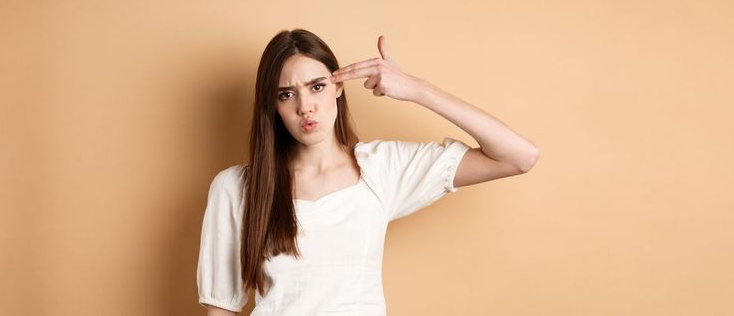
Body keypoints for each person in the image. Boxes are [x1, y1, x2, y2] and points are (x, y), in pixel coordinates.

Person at [197, 28, 539, 315]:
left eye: (317, 86)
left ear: (338, 87)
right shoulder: (237, 187)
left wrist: (416, 89)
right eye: (287, 94)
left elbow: (518, 156)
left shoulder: (381, 169)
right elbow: (220, 308)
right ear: (273, 106)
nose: (305, 107)